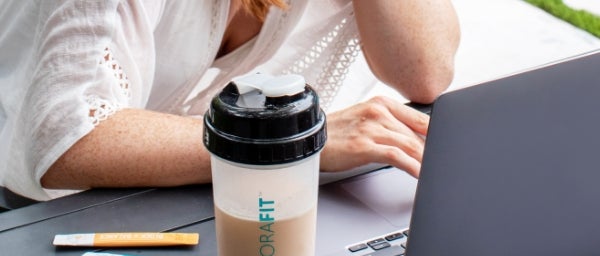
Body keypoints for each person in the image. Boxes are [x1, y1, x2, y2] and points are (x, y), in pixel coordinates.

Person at [0, 0, 460, 201]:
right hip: (38, 224)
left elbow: (425, 71)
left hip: (197, 199)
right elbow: (65, 138)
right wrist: (289, 139)